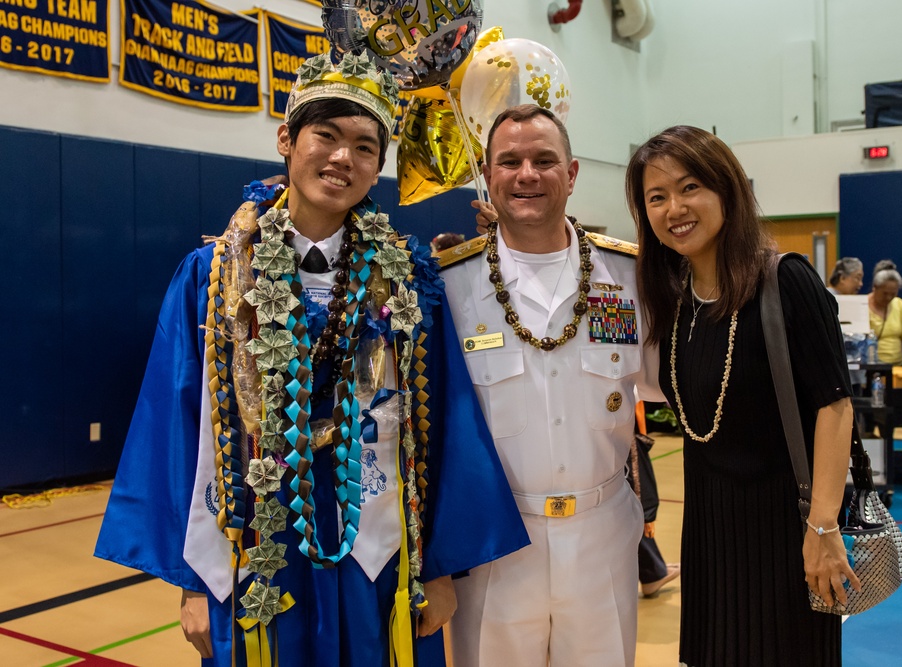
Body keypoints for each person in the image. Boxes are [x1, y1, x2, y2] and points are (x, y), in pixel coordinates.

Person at [94, 52, 528, 667]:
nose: (343, 157)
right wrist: (192, 582)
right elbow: (175, 417)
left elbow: (445, 425)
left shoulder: (408, 284)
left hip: (378, 556)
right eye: (326, 134)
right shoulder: (212, 279)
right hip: (254, 553)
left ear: (379, 166)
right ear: (286, 139)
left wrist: (440, 569)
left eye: (364, 145)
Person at [437, 104, 664, 667]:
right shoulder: (449, 285)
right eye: (509, 161)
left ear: (573, 173)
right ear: (488, 177)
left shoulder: (632, 277)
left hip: (603, 538)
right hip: (493, 545)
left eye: (544, 160)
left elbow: (675, 388)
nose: (527, 174)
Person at [626, 125, 859, 666]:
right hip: (711, 534)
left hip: (788, 531)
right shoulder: (677, 303)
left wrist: (823, 526)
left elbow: (835, 404)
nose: (674, 208)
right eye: (656, 198)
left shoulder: (786, 281)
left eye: (689, 188)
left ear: (726, 191)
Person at [628, 404, 681, 597]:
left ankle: (654, 569)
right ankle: (653, 572)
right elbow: (637, 406)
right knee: (634, 504)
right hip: (622, 439)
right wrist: (642, 437)